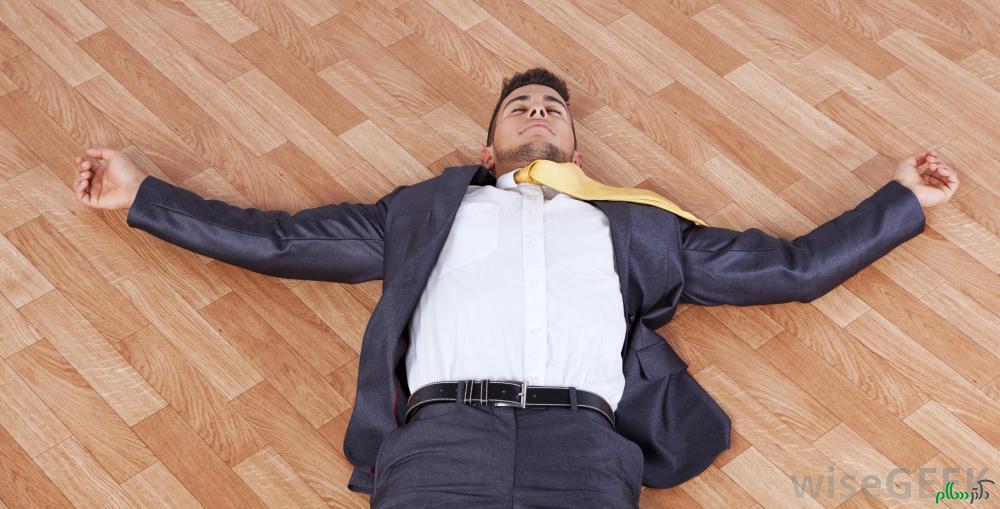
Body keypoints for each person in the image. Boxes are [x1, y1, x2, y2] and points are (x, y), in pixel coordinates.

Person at [74, 68, 958, 508]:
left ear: (574, 146)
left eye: (552, 108)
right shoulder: (424, 212)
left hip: (585, 450)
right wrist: (140, 195)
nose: (538, 111)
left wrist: (902, 198)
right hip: (440, 446)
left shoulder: (639, 226)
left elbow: (792, 269)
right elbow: (278, 241)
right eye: (520, 106)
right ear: (488, 147)